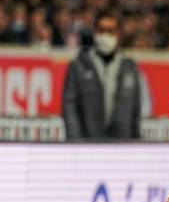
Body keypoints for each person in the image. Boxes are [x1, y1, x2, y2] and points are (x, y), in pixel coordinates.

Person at [62, 11, 151, 139]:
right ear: (94, 32)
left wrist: (135, 141)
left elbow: (136, 110)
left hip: (122, 143)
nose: (105, 35)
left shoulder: (129, 67)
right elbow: (69, 106)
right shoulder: (79, 65)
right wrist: (74, 139)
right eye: (101, 30)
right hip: (87, 142)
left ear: (119, 34)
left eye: (111, 31)